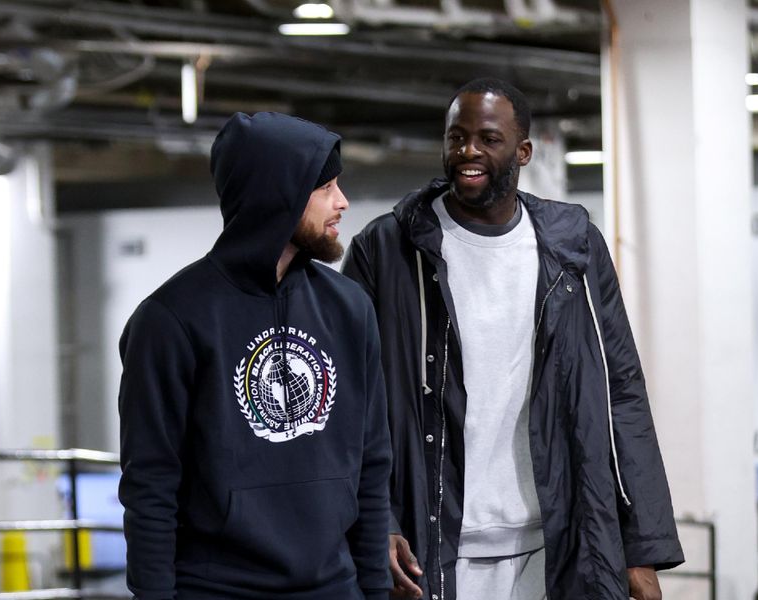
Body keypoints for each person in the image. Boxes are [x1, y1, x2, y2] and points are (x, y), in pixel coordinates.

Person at [341, 78, 684, 600]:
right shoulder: (387, 250)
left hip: (557, 545)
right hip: (432, 546)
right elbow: (351, 402)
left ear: (523, 151)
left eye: (488, 138)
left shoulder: (574, 249)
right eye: (456, 138)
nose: (468, 152)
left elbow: (622, 392)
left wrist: (641, 546)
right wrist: (377, 518)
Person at [118, 112, 392, 600]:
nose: (342, 201)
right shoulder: (170, 320)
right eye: (325, 187)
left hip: (335, 587)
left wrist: (374, 589)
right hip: (217, 589)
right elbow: (151, 487)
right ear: (278, 194)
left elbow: (371, 465)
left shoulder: (349, 308)